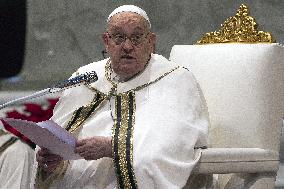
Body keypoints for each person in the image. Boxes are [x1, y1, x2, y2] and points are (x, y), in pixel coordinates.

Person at [32, 5, 210, 189]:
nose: (127, 46)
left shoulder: (175, 79)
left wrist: (114, 147)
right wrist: (51, 160)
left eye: (136, 38)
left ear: (151, 42)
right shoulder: (86, 77)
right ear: (106, 41)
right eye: (118, 37)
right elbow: (56, 134)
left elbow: (175, 142)